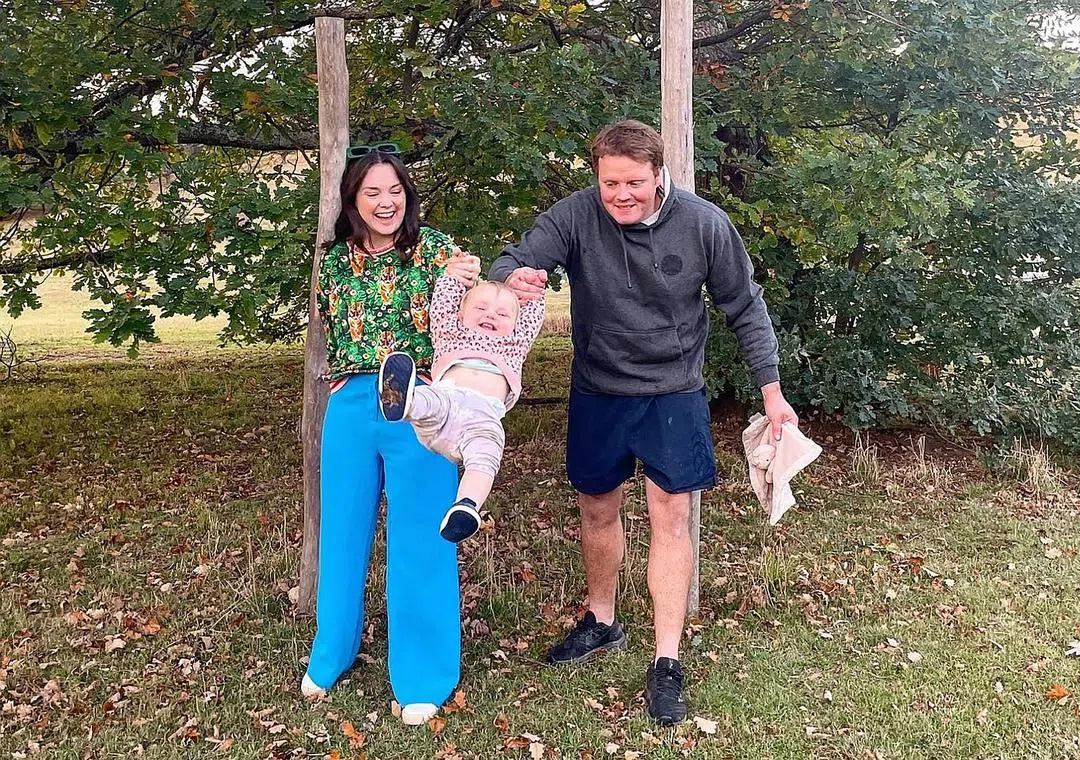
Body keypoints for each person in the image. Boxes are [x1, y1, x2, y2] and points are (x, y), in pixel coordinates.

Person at [488, 120, 798, 726]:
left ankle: (666, 660)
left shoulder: (704, 223)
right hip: (598, 389)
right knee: (596, 510)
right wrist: (512, 277)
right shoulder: (576, 215)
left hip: (672, 393)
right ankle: (602, 620)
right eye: (610, 183)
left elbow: (744, 304)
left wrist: (772, 391)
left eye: (633, 182)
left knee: (671, 518)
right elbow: (516, 259)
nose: (621, 194)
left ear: (658, 174)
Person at [300, 145, 481, 727]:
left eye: (395, 191)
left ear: (408, 195)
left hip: (420, 406)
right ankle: (332, 652)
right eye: (373, 192)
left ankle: (423, 674)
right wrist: (344, 380)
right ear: (353, 200)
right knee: (341, 531)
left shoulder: (438, 252)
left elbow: (474, 320)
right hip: (353, 405)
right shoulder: (334, 261)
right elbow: (332, 325)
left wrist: (469, 279)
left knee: (422, 537)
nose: (386, 202)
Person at [377, 275, 545, 542]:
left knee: (486, 455)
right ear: (461, 312)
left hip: (482, 419)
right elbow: (442, 303)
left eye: (502, 314)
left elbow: (533, 315)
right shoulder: (451, 332)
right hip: (447, 402)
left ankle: (466, 506)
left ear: (515, 323)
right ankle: (402, 402)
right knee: (432, 400)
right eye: (481, 307)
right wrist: (454, 277)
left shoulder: (515, 343)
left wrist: (534, 287)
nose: (491, 315)